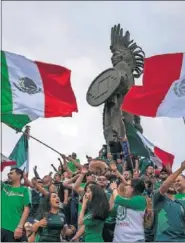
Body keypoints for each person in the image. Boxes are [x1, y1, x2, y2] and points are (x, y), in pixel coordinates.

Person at [153, 161, 185, 242]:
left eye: (174, 182)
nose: (172, 183)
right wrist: (181, 168)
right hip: (163, 240)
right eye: (170, 181)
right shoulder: (158, 198)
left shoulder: (181, 203)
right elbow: (164, 186)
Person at [1, 168, 31, 242]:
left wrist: (20, 227)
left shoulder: (25, 190)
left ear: (19, 175)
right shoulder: (4, 187)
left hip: (13, 229)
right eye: (8, 173)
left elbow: (26, 210)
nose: (8, 174)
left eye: (11, 173)